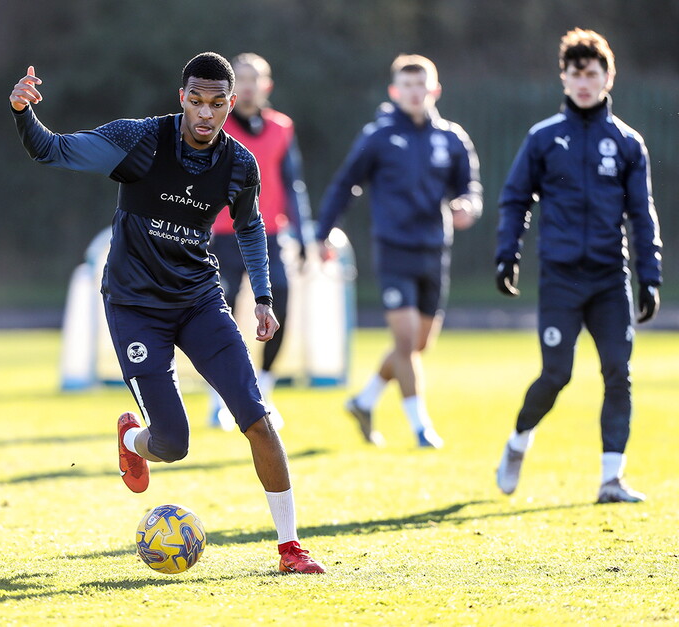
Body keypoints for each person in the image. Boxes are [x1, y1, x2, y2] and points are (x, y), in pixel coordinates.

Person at [9, 52, 324, 574]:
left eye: (217, 103)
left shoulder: (239, 163)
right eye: (196, 101)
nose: (206, 113)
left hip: (200, 301)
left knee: (258, 420)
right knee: (173, 444)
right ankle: (133, 438)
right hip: (135, 308)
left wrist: (264, 299)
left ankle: (291, 548)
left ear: (231, 103)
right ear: (182, 98)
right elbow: (52, 150)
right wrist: (23, 112)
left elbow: (249, 229)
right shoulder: (140, 140)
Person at [494, 29, 661, 503]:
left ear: (608, 77)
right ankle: (518, 442)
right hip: (561, 277)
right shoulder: (544, 138)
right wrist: (508, 253)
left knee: (617, 372)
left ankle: (612, 478)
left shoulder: (628, 142)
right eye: (575, 73)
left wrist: (649, 275)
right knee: (556, 375)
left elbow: (641, 214)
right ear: (563, 78)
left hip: (611, 278)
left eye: (592, 73)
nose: (583, 82)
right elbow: (515, 198)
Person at [315, 54, 482, 448]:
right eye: (406, 85)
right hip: (394, 250)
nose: (414, 92)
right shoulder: (379, 135)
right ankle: (421, 427)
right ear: (394, 91)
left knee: (420, 344)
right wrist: (324, 232)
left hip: (434, 250)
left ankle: (364, 399)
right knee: (406, 342)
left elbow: (469, 188)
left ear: (434, 90)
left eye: (421, 84)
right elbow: (345, 184)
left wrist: (467, 207)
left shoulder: (452, 137)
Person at [206, 52, 311, 431]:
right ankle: (218, 399)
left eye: (256, 78)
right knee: (221, 319)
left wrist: (303, 234)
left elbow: (292, 184)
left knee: (280, 304)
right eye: (242, 78)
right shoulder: (215, 124)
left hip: (268, 235)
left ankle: (263, 391)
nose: (249, 85)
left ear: (267, 85)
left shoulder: (282, 127)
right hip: (219, 236)